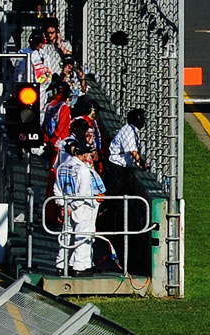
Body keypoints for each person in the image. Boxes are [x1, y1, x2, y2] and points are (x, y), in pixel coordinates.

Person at [54, 134, 105, 275]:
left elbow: (57, 189)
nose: (90, 155)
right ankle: (78, 267)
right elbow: (83, 193)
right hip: (83, 206)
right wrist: (71, 207)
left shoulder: (62, 167)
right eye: (88, 152)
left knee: (66, 236)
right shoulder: (83, 169)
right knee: (83, 236)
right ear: (82, 154)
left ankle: (61, 264)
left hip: (68, 205)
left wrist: (63, 206)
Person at [104, 108, 147, 197]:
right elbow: (133, 152)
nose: (144, 122)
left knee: (125, 194)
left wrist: (139, 163)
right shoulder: (128, 131)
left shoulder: (133, 130)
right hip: (116, 167)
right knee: (115, 194)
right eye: (142, 119)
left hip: (124, 167)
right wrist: (142, 163)